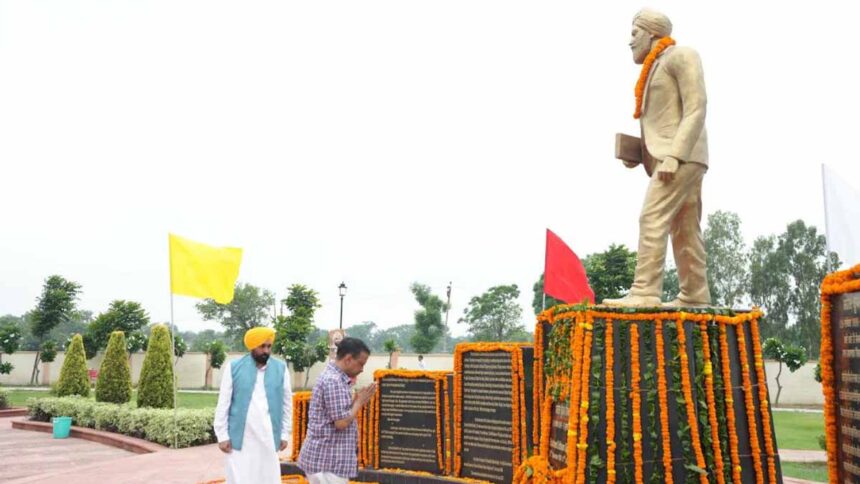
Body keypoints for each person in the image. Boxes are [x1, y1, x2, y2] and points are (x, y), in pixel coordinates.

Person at [604, 8, 712, 308]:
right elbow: (664, 121)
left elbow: (696, 108)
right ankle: (695, 295)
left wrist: (674, 156)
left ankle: (645, 292)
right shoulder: (654, 66)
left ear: (652, 33)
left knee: (652, 217)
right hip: (673, 156)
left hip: (682, 155)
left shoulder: (681, 55)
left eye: (634, 33)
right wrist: (639, 153)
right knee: (685, 227)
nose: (630, 41)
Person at [214, 327, 292, 484]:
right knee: (240, 478)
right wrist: (222, 435)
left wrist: (284, 434)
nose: (266, 351)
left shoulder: (281, 369)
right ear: (252, 346)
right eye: (262, 346)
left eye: (269, 346)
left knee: (267, 478)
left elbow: (286, 404)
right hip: (241, 438)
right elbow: (224, 403)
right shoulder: (234, 367)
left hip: (268, 437)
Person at [299, 337, 377, 484]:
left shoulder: (337, 379)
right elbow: (341, 423)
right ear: (348, 359)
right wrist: (359, 402)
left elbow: (340, 412)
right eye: (361, 363)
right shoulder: (334, 381)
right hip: (328, 462)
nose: (362, 369)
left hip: (327, 461)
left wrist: (356, 400)